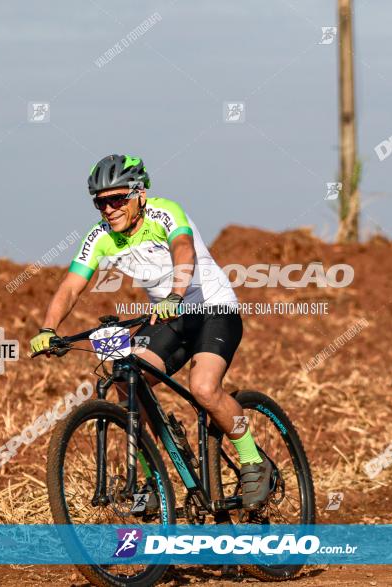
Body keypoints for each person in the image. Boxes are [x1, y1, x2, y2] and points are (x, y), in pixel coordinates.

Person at [29, 154, 271, 509]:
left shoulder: (164, 212)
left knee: (203, 387)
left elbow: (183, 249)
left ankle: (253, 460)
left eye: (117, 199)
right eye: (101, 202)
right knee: (128, 385)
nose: (109, 209)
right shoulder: (101, 237)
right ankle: (153, 478)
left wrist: (176, 293)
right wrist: (49, 329)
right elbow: (70, 286)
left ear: (139, 194)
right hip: (169, 317)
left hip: (213, 308)